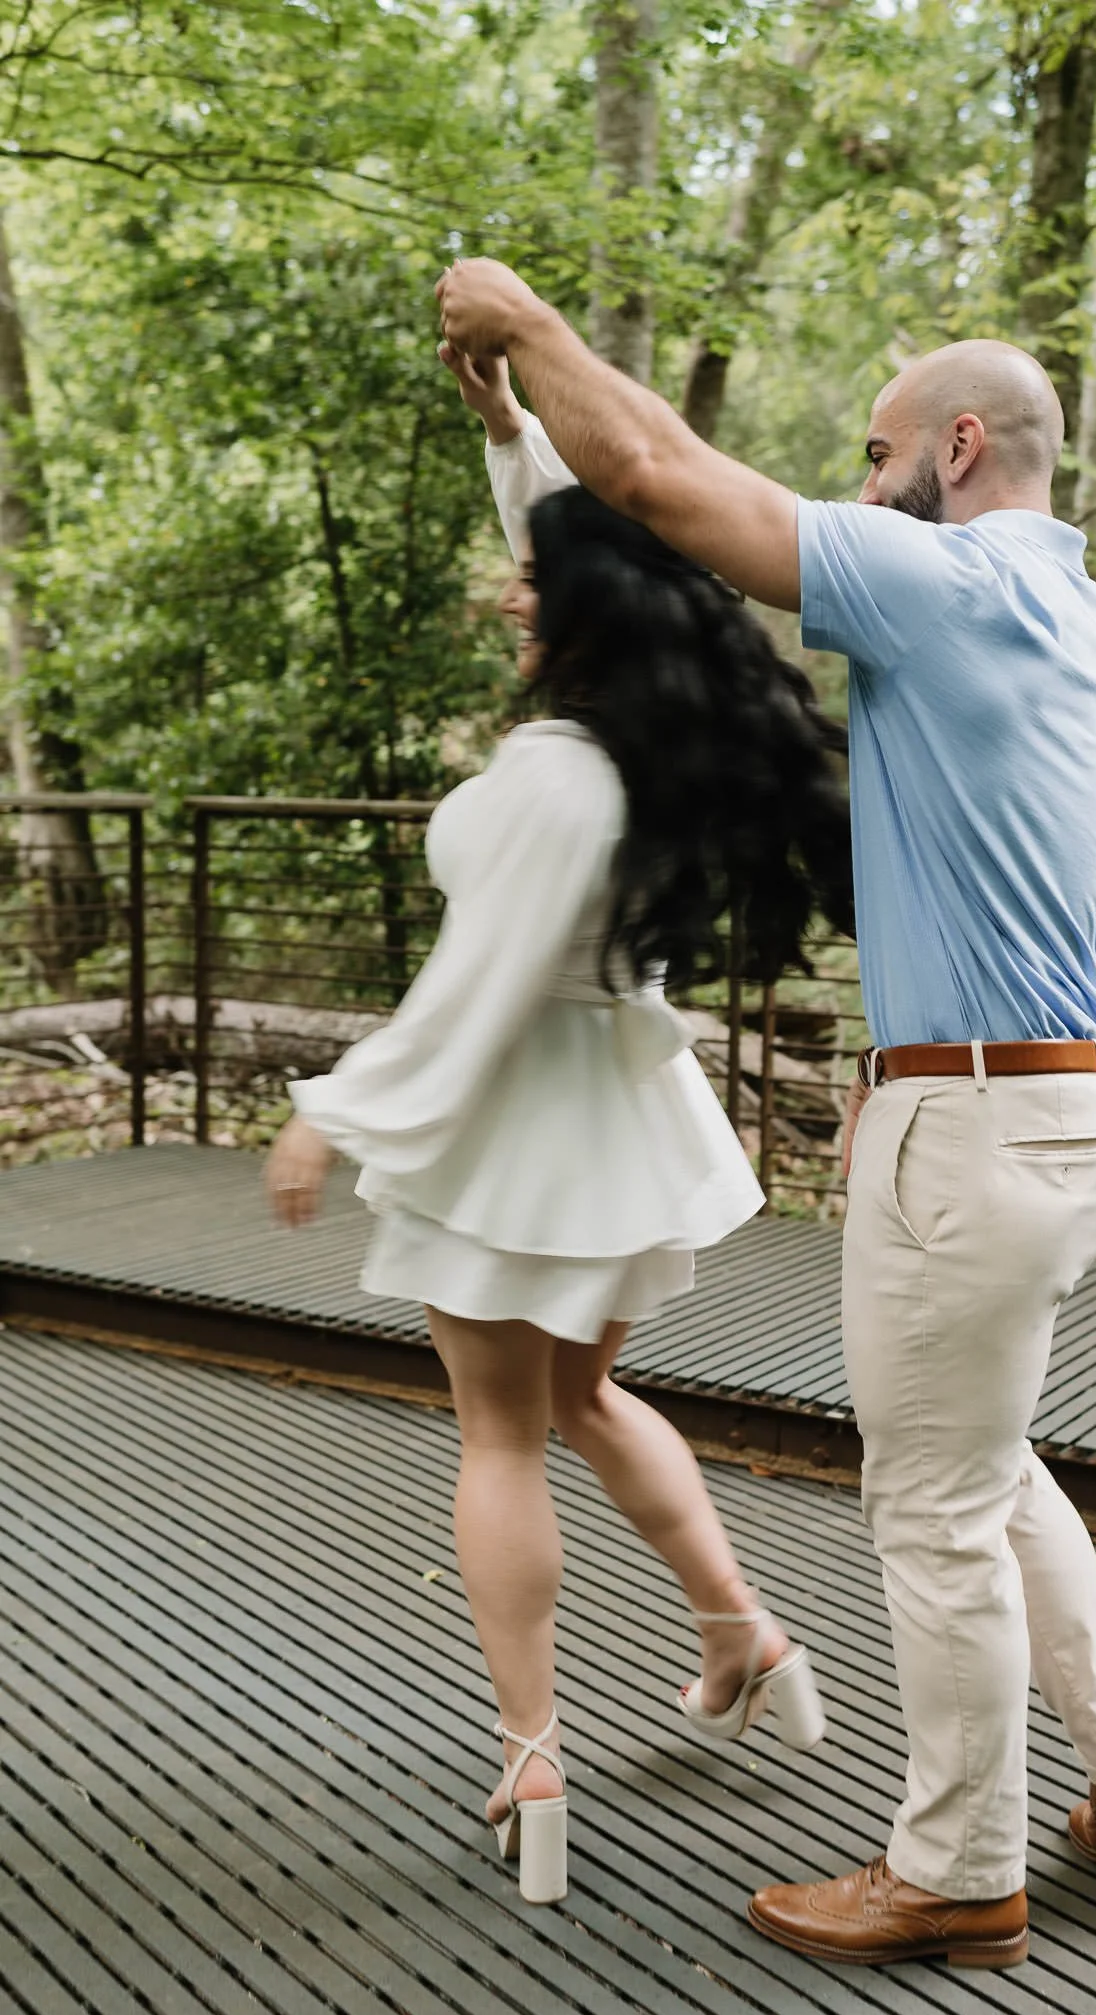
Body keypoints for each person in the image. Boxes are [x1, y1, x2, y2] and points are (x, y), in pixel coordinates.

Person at [433, 260, 1096, 1969]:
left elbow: (657, 484)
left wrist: (528, 327)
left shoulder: (947, 586)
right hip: (1072, 1107)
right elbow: (630, 555)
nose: (858, 486)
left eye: (875, 455)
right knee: (983, 1462)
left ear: (959, 447)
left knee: (929, 1500)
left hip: (974, 1123)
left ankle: (955, 1872)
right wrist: (519, 443)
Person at [265, 372, 852, 1905]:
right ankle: (742, 1636)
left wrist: (328, 1112)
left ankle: (532, 1754)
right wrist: (509, 435)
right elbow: (600, 547)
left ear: (589, 612)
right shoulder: (658, 748)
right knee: (584, 1392)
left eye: (535, 581)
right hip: (616, 1115)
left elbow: (474, 985)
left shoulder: (554, 776)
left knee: (503, 1433)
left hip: (521, 1121)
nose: (512, 592)